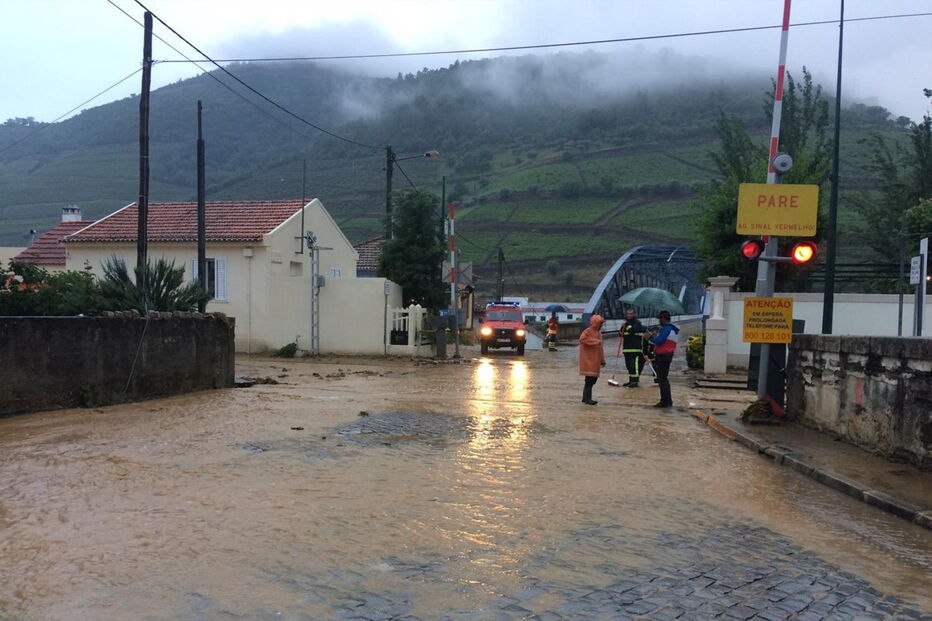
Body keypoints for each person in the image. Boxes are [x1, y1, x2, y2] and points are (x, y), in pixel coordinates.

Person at [648, 310, 680, 408]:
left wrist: (649, 337)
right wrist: (655, 336)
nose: (659, 321)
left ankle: (664, 402)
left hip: (663, 356)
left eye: (660, 319)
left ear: (663, 319)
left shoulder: (666, 329)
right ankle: (668, 401)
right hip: (668, 355)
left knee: (662, 379)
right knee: (664, 379)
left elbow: (659, 341)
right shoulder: (671, 329)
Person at [579, 314, 606, 405]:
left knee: (592, 380)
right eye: (600, 323)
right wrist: (595, 342)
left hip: (595, 360)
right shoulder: (588, 331)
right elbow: (582, 339)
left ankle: (585, 398)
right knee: (589, 380)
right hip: (588, 360)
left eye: (601, 324)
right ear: (595, 323)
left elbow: (600, 348)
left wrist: (602, 360)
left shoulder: (599, 334)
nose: (601, 325)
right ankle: (587, 399)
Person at [619, 308, 645, 387]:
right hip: (627, 349)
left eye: (631, 314)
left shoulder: (637, 323)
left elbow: (632, 331)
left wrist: (626, 325)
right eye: (628, 314)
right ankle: (631, 380)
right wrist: (622, 327)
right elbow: (621, 334)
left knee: (634, 366)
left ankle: (635, 381)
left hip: (635, 349)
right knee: (629, 366)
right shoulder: (626, 323)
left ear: (634, 314)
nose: (629, 315)